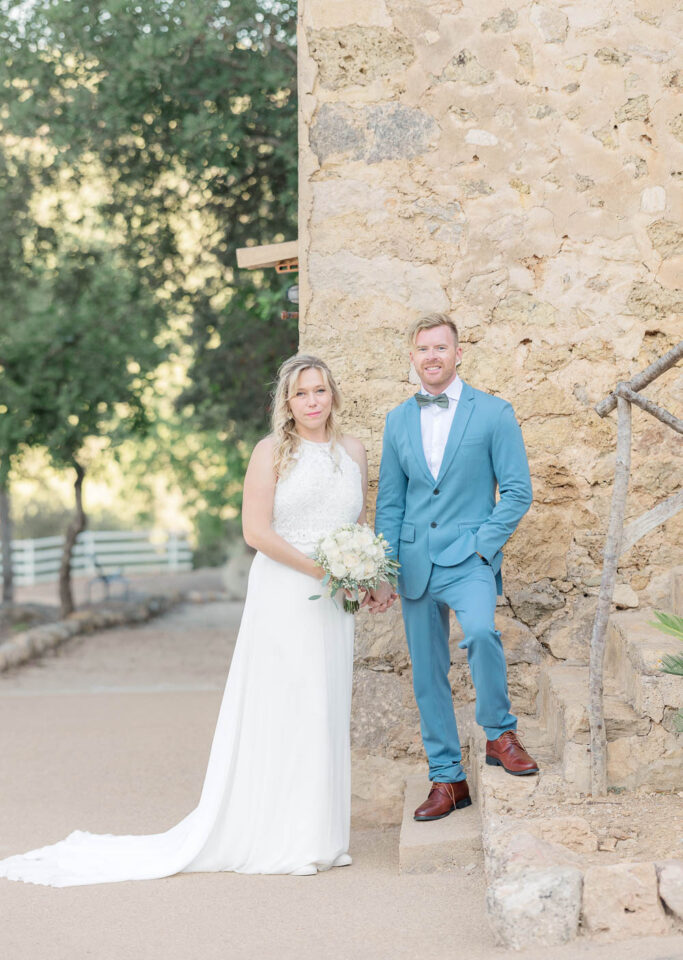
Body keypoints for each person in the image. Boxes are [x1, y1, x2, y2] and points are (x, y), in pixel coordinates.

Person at [0, 354, 368, 885]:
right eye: (301, 393)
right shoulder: (271, 453)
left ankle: (324, 838)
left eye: (320, 391)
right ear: (286, 404)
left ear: (333, 394)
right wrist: (322, 571)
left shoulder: (353, 450)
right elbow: (256, 533)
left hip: (336, 600)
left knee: (326, 703)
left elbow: (356, 521)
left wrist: (365, 573)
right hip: (289, 591)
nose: (312, 401)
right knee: (292, 702)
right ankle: (289, 838)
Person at [371, 312, 538, 823]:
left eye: (441, 348)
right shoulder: (398, 420)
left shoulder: (494, 413)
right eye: (423, 349)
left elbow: (517, 492)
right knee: (428, 674)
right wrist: (385, 566)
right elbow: (390, 503)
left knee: (483, 634)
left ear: (458, 353)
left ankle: (499, 733)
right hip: (415, 559)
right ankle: (447, 779)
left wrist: (484, 548)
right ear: (412, 357)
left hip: (470, 558)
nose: (432, 357)